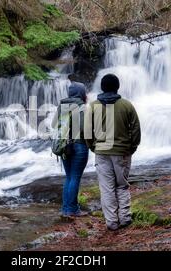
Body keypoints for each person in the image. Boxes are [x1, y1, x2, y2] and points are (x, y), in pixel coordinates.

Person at [86, 74, 141, 231]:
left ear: (102, 87)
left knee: (106, 188)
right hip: (122, 152)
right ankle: (125, 218)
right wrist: (132, 147)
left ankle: (111, 222)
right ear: (117, 87)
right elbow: (136, 129)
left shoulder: (94, 106)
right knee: (122, 185)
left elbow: (87, 132)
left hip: (101, 153)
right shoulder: (126, 105)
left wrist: (93, 147)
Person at [52, 82, 89, 218]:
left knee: (69, 177)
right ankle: (72, 210)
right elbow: (84, 128)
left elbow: (54, 124)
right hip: (78, 145)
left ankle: (66, 208)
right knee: (75, 177)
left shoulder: (61, 106)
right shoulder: (82, 107)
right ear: (81, 93)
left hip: (63, 146)